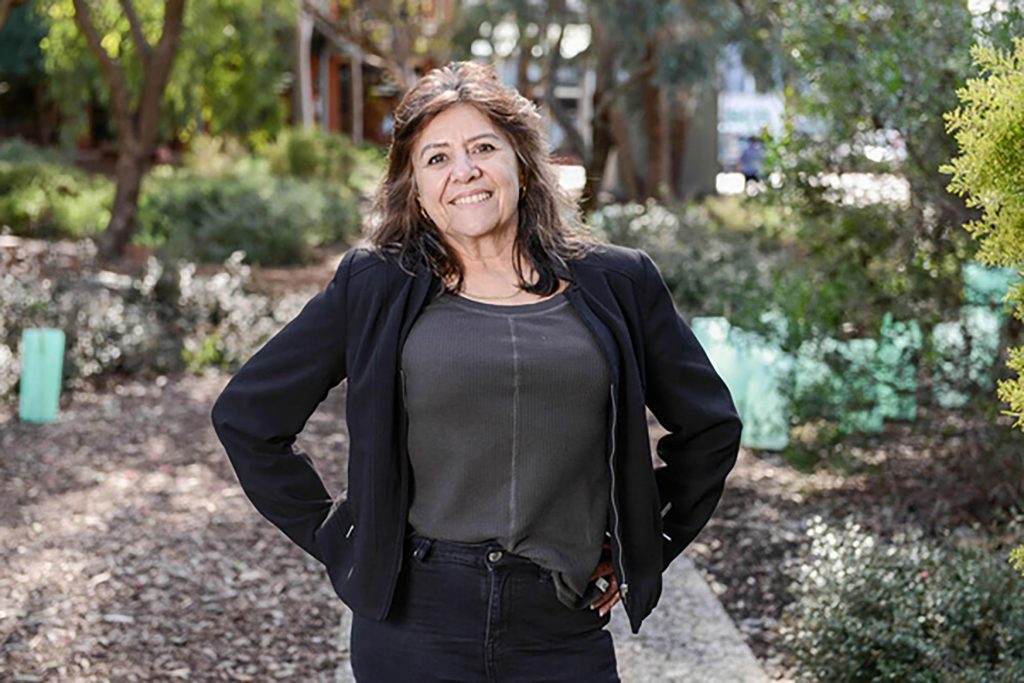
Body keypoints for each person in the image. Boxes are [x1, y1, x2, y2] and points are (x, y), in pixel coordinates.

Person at [211, 61, 742, 682]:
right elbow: (248, 418)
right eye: (436, 158)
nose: (463, 171)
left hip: (561, 626)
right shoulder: (377, 284)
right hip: (414, 626)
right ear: (413, 185)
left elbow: (710, 430)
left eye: (483, 147)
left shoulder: (620, 283)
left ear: (520, 158)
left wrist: (647, 542)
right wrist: (338, 536)